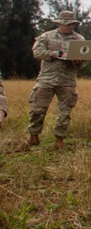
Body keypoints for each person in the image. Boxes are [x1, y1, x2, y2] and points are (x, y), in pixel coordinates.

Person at [22, 10, 86, 150]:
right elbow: (37, 52)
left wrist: (77, 62)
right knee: (37, 109)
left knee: (65, 112)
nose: (71, 27)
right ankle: (33, 137)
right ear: (60, 23)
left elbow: (83, 63)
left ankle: (59, 141)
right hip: (47, 79)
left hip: (67, 80)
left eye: (73, 24)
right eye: (68, 24)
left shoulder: (79, 40)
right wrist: (55, 54)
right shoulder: (47, 36)